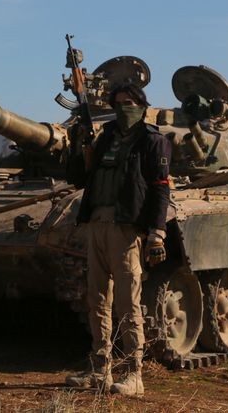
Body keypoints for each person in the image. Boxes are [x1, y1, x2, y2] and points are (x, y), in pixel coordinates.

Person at [64, 83, 171, 396]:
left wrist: (156, 232)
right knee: (96, 298)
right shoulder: (106, 137)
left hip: (126, 228)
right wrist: (79, 146)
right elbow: (81, 179)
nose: (123, 107)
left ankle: (134, 373)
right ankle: (100, 369)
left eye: (128, 102)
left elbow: (160, 188)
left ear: (140, 104)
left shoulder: (153, 140)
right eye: (118, 103)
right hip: (97, 222)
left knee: (127, 301)